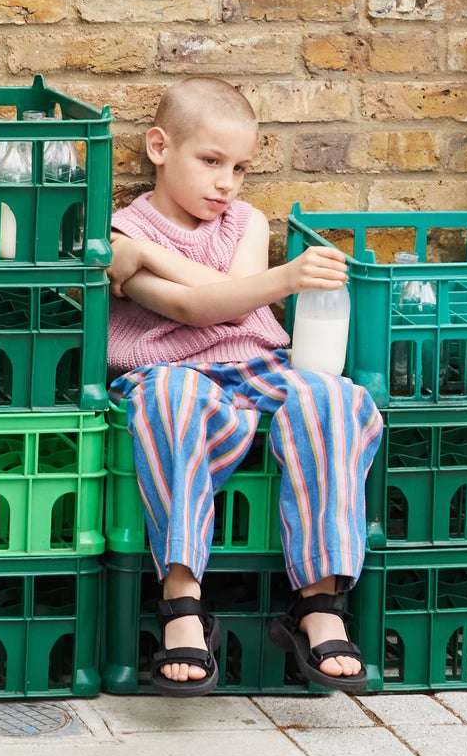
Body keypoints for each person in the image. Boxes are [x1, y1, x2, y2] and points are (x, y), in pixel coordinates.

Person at [104, 75, 381, 696]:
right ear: (158, 147)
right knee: (172, 406)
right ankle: (182, 602)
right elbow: (201, 310)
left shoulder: (246, 222)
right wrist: (285, 280)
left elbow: (228, 300)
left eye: (241, 168)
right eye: (210, 161)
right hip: (170, 375)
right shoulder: (121, 232)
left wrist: (153, 257)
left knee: (334, 397)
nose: (226, 182)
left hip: (258, 370)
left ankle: (317, 603)